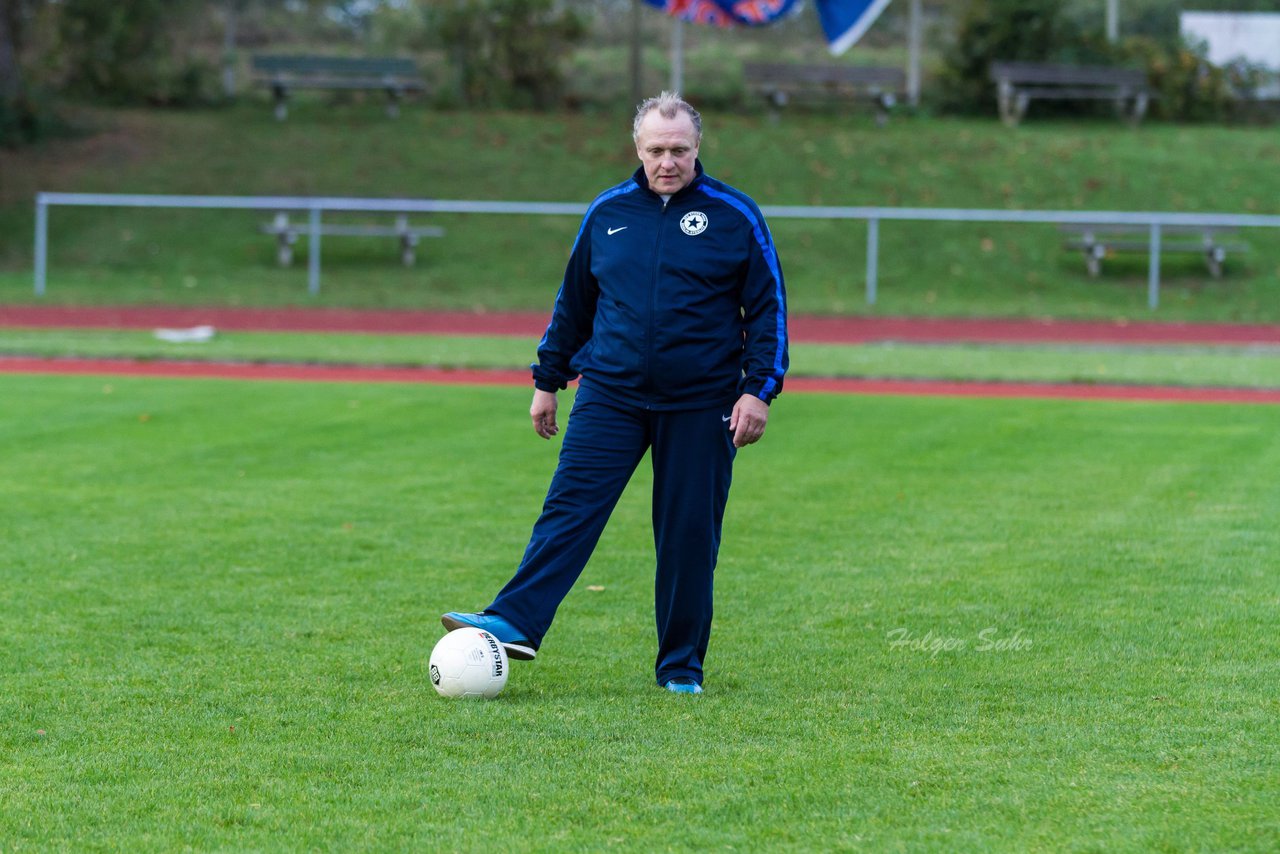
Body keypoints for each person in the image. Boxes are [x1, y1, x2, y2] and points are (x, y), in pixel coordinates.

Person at [443, 92, 788, 695]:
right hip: (611, 394)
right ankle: (515, 620)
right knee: (569, 508)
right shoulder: (608, 212)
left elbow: (768, 312)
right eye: (656, 149)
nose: (668, 161)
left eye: (679, 149)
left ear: (697, 148)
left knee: (687, 536)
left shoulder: (736, 215)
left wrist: (758, 391)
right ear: (638, 148)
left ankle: (680, 668)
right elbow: (573, 304)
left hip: (702, 402)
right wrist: (547, 379)